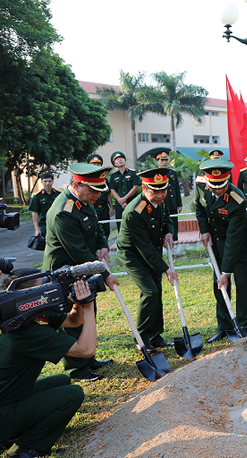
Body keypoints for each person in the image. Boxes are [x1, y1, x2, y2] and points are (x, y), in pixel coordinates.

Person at [0, 272, 96, 458]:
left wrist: (77, 301)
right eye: (43, 286)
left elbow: (74, 321)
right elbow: (86, 350)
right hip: (3, 413)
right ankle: (25, 449)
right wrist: (89, 305)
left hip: (8, 399)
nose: (48, 289)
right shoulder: (27, 331)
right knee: (73, 394)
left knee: (61, 381)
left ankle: (14, 433)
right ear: (28, 297)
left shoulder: (29, 316)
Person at [43, 163, 118, 382]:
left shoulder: (84, 201)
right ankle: (77, 368)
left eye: (100, 190)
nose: (97, 195)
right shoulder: (63, 212)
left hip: (82, 269)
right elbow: (79, 252)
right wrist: (105, 274)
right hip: (65, 272)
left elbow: (96, 227)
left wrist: (103, 244)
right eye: (93, 190)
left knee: (88, 310)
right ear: (76, 184)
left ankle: (88, 358)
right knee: (73, 319)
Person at [116, 167, 178, 353]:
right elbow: (144, 247)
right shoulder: (135, 211)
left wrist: (169, 231)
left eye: (163, 190)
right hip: (133, 255)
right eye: (155, 191)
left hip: (151, 251)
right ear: (144, 189)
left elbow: (166, 217)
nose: (160, 195)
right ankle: (141, 338)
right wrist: (166, 269)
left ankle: (156, 335)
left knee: (157, 291)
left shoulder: (160, 201)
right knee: (150, 291)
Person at [195, 160, 247, 342]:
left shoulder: (237, 199)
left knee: (241, 282)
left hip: (238, 243)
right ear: (207, 182)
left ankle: (245, 326)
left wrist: (226, 272)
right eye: (214, 187)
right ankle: (224, 326)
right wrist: (204, 229)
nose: (218, 191)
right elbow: (199, 207)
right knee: (218, 284)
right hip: (215, 241)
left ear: (227, 181)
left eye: (221, 187)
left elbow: (233, 238)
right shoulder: (201, 187)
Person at [109, 151, 141, 233]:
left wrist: (124, 199)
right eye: (117, 159)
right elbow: (112, 190)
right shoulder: (113, 176)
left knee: (134, 224)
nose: (120, 160)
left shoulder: (133, 173)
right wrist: (120, 200)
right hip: (119, 205)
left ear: (125, 161)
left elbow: (135, 187)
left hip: (132, 202)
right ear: (114, 163)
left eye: (122, 158)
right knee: (121, 226)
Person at [156, 151, 183, 241]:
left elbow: (176, 189)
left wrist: (179, 204)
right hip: (161, 202)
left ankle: (175, 239)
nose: (164, 162)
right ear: (157, 161)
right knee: (162, 221)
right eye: (162, 160)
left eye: (166, 160)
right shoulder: (156, 173)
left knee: (174, 221)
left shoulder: (172, 172)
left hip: (172, 202)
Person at [87, 154, 113, 240]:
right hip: (92, 208)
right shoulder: (87, 179)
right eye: (93, 164)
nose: (96, 166)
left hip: (104, 208)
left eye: (98, 164)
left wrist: (111, 208)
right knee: (92, 230)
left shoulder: (104, 179)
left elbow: (108, 194)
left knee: (106, 230)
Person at [28, 173, 61, 238]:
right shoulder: (37, 196)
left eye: (49, 181)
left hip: (58, 223)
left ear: (53, 181)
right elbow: (35, 213)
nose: (47, 183)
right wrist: (37, 229)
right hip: (44, 225)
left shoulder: (59, 194)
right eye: (45, 181)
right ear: (41, 182)